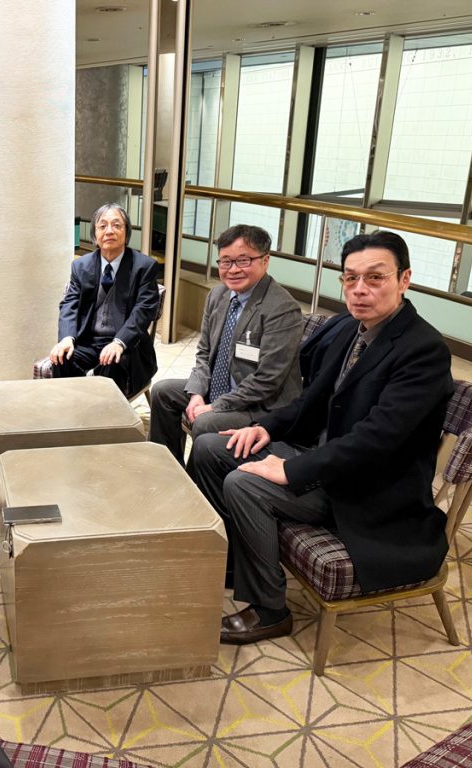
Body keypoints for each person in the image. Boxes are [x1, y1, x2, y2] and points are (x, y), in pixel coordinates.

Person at [192, 231, 453, 644]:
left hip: (364, 486)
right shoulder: (349, 327)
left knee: (244, 484)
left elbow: (376, 440)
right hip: (321, 454)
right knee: (210, 447)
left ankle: (269, 610)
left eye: (375, 277)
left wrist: (292, 469)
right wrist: (266, 427)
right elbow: (310, 402)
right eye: (350, 278)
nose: (360, 289)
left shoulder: (424, 350)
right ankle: (234, 563)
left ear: (404, 279)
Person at [149, 225, 303, 469]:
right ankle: (165, 468)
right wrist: (197, 393)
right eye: (226, 261)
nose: (233, 269)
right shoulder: (218, 295)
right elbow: (204, 352)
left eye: (243, 260)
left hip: (261, 405)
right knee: (163, 391)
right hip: (219, 390)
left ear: (265, 261)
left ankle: (195, 483)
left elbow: (267, 380)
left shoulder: (282, 309)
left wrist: (214, 406)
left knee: (205, 422)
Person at [49, 202, 160, 395]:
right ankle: (70, 408)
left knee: (112, 362)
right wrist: (66, 338)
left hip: (127, 346)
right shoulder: (81, 266)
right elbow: (69, 305)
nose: (109, 231)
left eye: (116, 225)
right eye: (102, 226)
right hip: (88, 342)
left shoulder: (144, 267)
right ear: (95, 234)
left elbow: (143, 312)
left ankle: (105, 413)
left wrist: (119, 342)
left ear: (126, 232)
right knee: (62, 358)